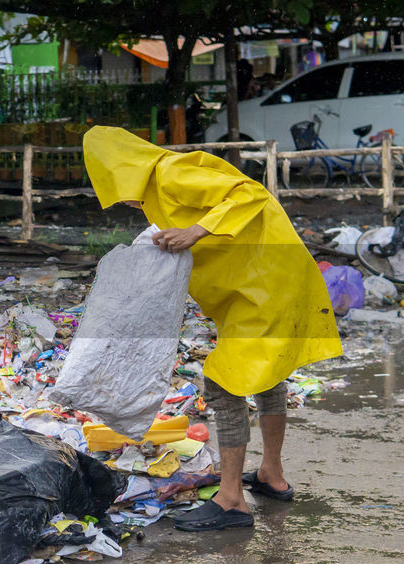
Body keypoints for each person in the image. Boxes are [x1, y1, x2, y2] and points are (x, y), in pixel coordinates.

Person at [83, 127, 341, 531]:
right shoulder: (156, 192)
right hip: (259, 285)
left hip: (266, 284)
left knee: (224, 383)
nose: (119, 196)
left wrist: (194, 232)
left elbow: (249, 195)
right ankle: (272, 475)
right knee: (266, 375)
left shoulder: (170, 172)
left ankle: (232, 500)